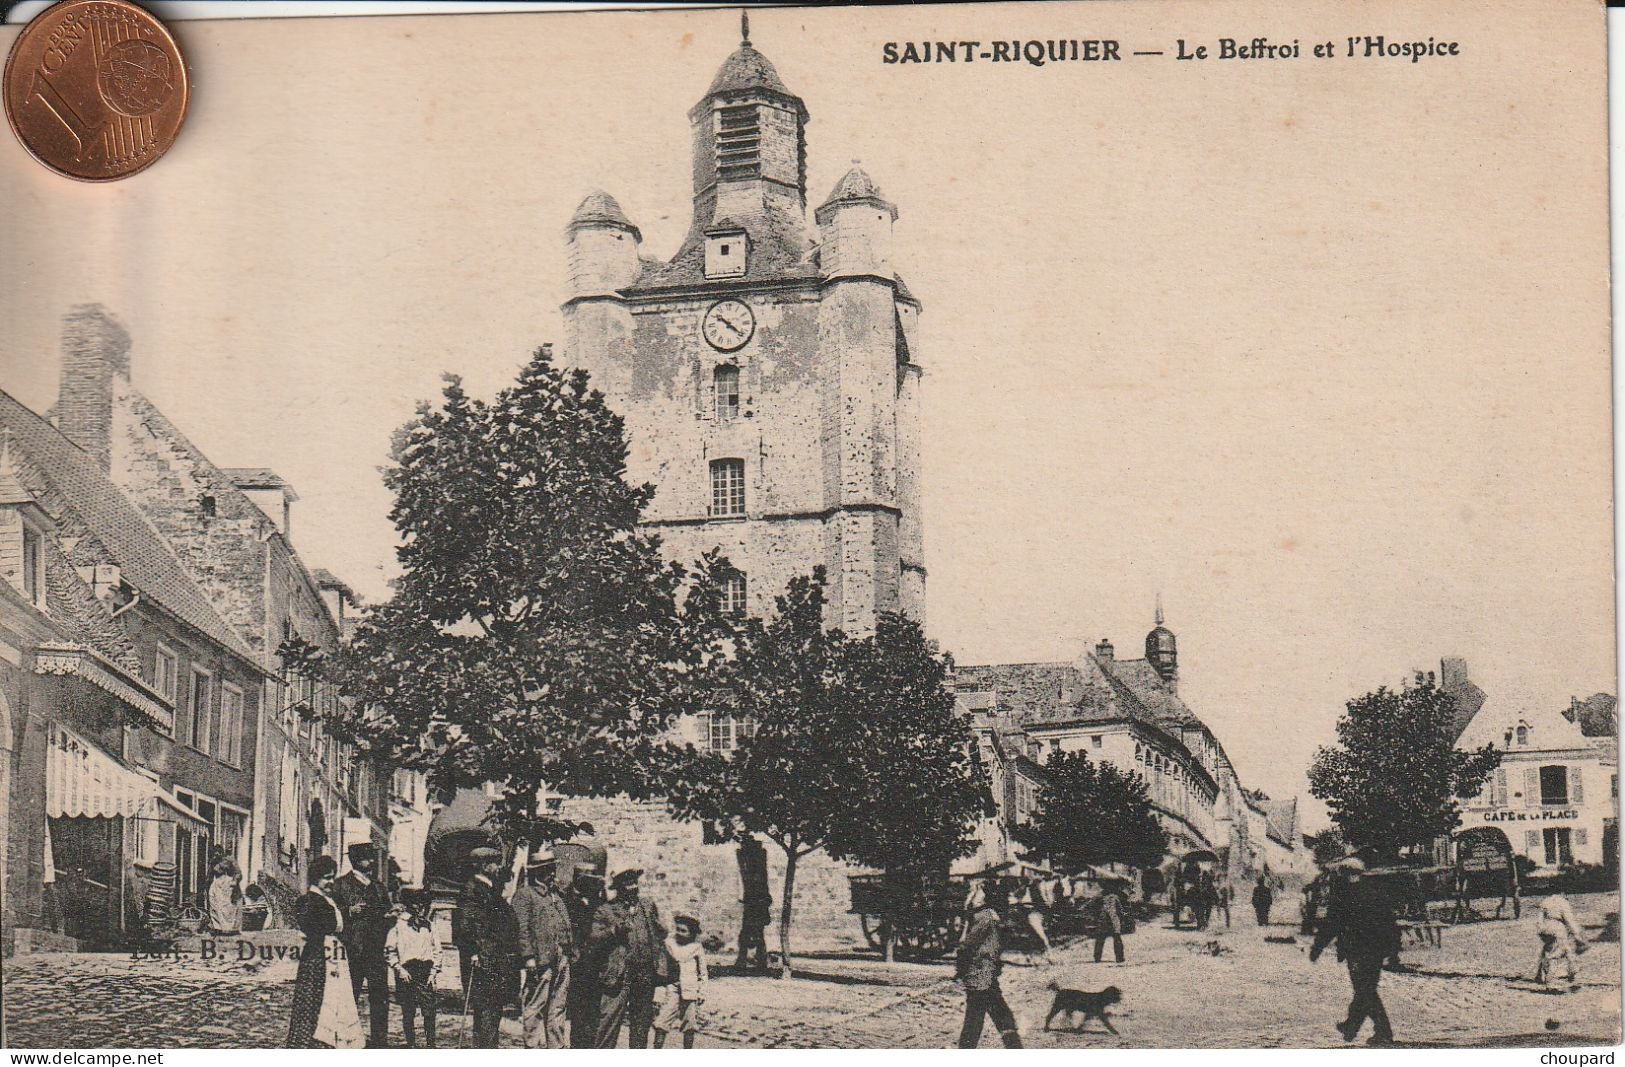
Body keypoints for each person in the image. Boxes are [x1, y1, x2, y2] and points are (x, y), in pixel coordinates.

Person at [1309, 857, 1400, 1047]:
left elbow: (1331, 925)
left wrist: (1317, 948)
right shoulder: (1376, 893)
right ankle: (1352, 1026)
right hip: (1376, 951)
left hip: (1356, 951)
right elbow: (1390, 924)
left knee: (1365, 991)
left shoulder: (1343, 897)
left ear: (1344, 874)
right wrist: (1392, 951)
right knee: (1366, 990)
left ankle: (1379, 1031)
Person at [287, 856, 365, 1049]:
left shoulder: (325, 900)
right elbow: (316, 925)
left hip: (333, 954)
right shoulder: (309, 901)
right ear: (316, 878)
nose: (330, 882)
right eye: (326, 878)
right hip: (318, 957)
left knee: (335, 997)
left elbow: (335, 923)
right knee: (317, 998)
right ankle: (313, 1042)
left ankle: (333, 1039)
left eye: (332, 877)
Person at [459, 846, 523, 1048]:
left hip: (493, 961)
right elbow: (468, 926)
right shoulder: (473, 890)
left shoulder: (488, 890)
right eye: (495, 863)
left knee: (491, 1013)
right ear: (485, 866)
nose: (498, 867)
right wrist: (476, 952)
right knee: (487, 1012)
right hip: (485, 962)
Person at [333, 844, 394, 1047]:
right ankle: (345, 1038)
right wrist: (349, 911)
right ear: (357, 861)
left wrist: (391, 917)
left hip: (376, 951)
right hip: (352, 950)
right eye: (368, 858)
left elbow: (387, 915)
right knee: (349, 997)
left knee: (380, 997)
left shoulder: (379, 887)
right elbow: (329, 914)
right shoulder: (340, 885)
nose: (372, 862)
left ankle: (379, 1041)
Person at [513, 849, 574, 1048]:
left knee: (557, 1008)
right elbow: (521, 929)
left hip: (561, 959)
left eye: (553, 868)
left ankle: (556, 1048)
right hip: (541, 961)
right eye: (549, 869)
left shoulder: (555, 896)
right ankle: (533, 1047)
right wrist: (528, 957)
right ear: (539, 871)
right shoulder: (525, 895)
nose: (553, 873)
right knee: (535, 1007)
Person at [955, 880, 1022, 1048]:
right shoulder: (990, 915)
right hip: (987, 973)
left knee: (974, 1020)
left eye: (976, 890)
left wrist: (964, 920)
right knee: (1001, 1017)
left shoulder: (983, 917)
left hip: (980, 975)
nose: (971, 893)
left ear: (984, 897)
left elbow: (965, 944)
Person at [610, 869, 669, 1048]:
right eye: (628, 885)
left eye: (635, 883)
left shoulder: (647, 905)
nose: (633, 888)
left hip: (645, 970)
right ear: (619, 887)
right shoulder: (611, 908)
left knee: (641, 1019)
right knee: (613, 1017)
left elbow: (661, 932)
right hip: (622, 971)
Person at [566, 864, 621, 1048]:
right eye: (590, 882)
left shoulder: (596, 902)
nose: (594, 886)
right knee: (579, 1015)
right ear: (580, 880)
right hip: (578, 965)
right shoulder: (568, 901)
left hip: (595, 965)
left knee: (593, 1013)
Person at [386, 887, 442, 1048]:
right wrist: (399, 969)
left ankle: (431, 1045)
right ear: (409, 905)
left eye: (422, 904)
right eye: (416, 904)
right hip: (406, 972)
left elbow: (437, 950)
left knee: (429, 1011)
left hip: (425, 971)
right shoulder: (398, 925)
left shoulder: (429, 925)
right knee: (408, 1010)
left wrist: (433, 973)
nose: (420, 907)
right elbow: (389, 951)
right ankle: (411, 1045)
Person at [654, 915, 707, 1049]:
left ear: (692, 933)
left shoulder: (697, 947)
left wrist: (702, 992)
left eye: (684, 931)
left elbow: (703, 973)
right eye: (678, 929)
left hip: (690, 990)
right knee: (662, 1021)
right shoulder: (670, 943)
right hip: (673, 987)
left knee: (689, 1024)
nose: (680, 933)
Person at [1534, 892, 1587, 990]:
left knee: (1557, 949)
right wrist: (1577, 935)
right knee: (1555, 954)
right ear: (1562, 893)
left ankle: (1571, 973)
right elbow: (1569, 920)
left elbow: (1539, 919)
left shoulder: (1545, 901)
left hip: (1545, 927)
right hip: (1558, 928)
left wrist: (1541, 931)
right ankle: (1551, 981)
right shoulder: (1563, 902)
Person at [737, 888, 772, 974]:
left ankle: (761, 962)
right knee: (744, 939)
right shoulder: (750, 890)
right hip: (751, 918)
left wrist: (759, 904)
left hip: (758, 919)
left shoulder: (762, 889)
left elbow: (768, 900)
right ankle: (742, 962)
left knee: (759, 940)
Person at [207, 857, 242, 935]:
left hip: (225, 884)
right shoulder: (220, 866)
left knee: (224, 906)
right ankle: (222, 927)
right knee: (219, 906)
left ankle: (225, 928)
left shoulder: (228, 862)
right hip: (222, 884)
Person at [1094, 889, 1125, 964]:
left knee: (1100, 938)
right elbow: (1120, 909)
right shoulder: (1115, 897)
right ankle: (1119, 958)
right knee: (1117, 938)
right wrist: (1123, 917)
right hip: (1113, 919)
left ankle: (1097, 957)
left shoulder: (1099, 897)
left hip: (1103, 920)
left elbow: (1095, 908)